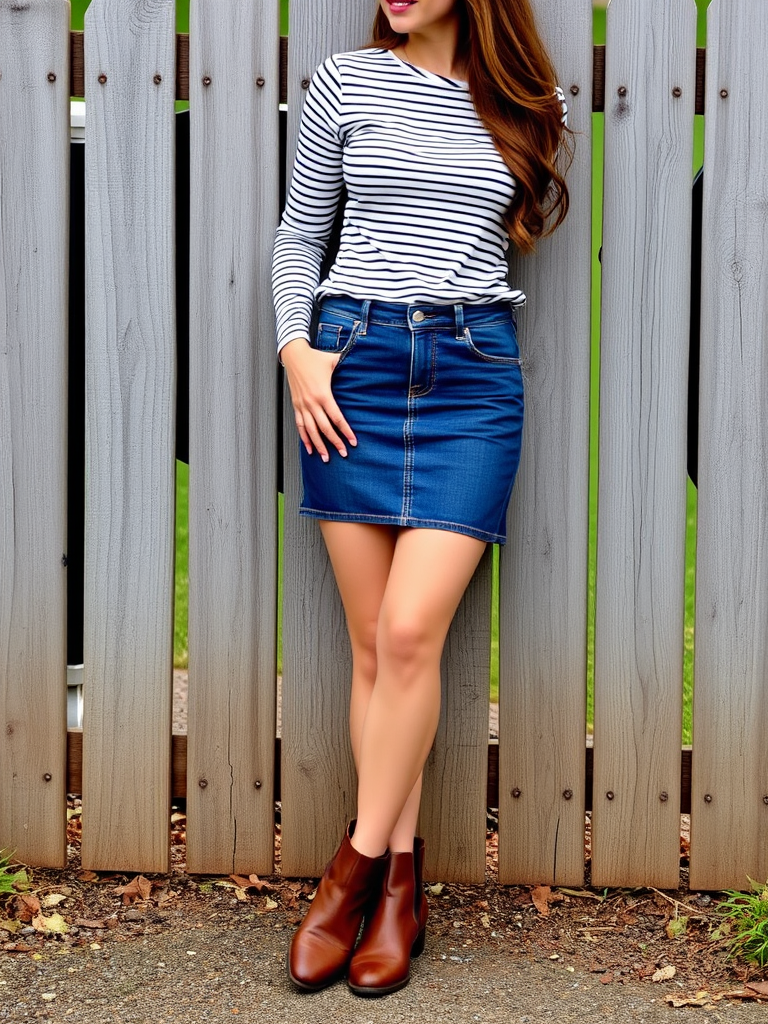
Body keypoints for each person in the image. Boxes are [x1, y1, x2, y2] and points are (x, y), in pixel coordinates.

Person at [272, 0, 571, 998]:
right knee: (374, 647)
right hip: (349, 369)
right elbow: (299, 236)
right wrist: (297, 352)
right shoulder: (346, 82)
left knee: (407, 635)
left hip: (471, 377)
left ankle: (350, 871)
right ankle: (401, 886)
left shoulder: (525, 99)